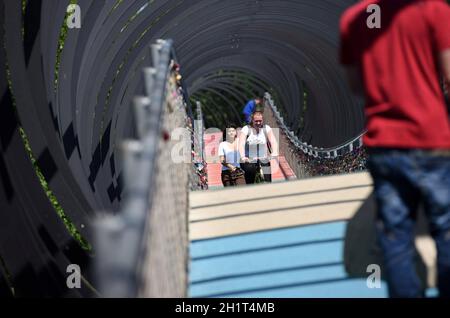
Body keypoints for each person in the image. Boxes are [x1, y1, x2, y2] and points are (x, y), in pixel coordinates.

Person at [340, 0, 450, 298]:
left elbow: (355, 85)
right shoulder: (433, 10)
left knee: (396, 235)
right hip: (432, 139)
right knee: (445, 226)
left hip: (385, 144)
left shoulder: (354, 20)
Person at [238, 111, 279, 184]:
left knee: (267, 177)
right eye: (256, 121)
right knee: (250, 170)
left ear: (263, 120)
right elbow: (241, 144)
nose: (258, 123)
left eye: (260, 121)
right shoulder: (246, 129)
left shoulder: (266, 128)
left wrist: (274, 152)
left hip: (262, 158)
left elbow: (273, 141)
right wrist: (243, 157)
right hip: (249, 159)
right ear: (252, 120)